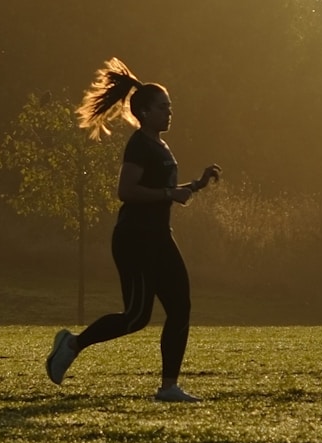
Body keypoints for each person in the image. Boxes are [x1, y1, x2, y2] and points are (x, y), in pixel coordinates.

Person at [44, 57, 222, 402]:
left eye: (170, 107)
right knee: (137, 316)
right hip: (136, 239)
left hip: (159, 238)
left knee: (181, 307)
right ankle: (72, 344)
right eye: (163, 108)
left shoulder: (160, 145)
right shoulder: (139, 144)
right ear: (144, 112)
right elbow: (126, 191)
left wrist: (196, 185)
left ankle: (169, 387)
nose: (169, 113)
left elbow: (162, 193)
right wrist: (170, 193)